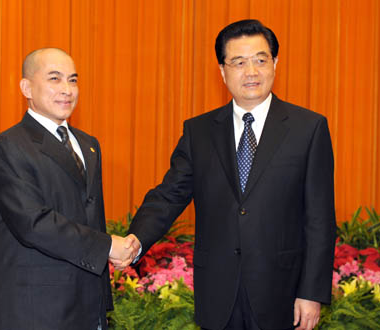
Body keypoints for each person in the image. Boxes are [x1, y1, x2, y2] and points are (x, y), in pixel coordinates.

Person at [126, 20, 336, 330]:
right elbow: (169, 195)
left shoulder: (309, 129)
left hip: (283, 293)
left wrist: (312, 292)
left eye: (260, 60)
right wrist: (136, 240)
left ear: (275, 64)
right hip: (218, 293)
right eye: (239, 62)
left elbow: (320, 218)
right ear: (222, 71)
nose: (251, 71)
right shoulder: (199, 132)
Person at [0, 48, 139, 330]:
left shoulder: (88, 144)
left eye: (73, 80)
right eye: (54, 79)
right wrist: (107, 246)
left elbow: (91, 216)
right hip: (35, 309)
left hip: (88, 305)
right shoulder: (7, 147)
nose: (67, 90)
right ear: (26, 87)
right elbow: (32, 223)